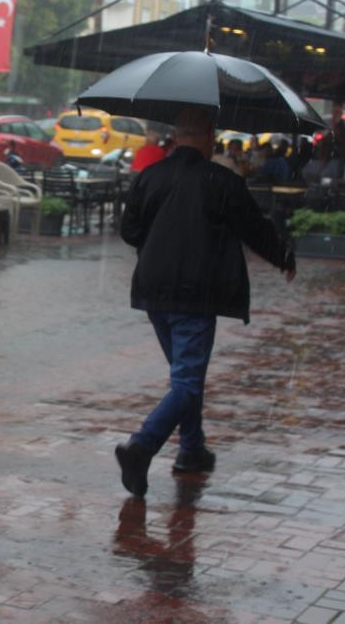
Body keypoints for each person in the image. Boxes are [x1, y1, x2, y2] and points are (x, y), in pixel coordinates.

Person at [116, 108, 296, 499]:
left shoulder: (150, 176)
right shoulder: (223, 181)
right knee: (186, 380)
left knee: (185, 377)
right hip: (195, 295)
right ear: (210, 135)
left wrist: (159, 240)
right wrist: (283, 258)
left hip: (153, 292)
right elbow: (255, 228)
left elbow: (129, 231)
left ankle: (191, 450)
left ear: (177, 135)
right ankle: (142, 446)